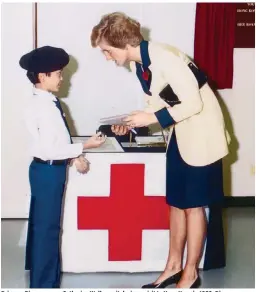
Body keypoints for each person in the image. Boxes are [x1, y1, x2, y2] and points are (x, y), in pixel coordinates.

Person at [91, 12, 230, 289]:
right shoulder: (141, 64)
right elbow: (160, 102)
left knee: (193, 207)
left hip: (201, 136)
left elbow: (192, 104)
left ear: (123, 44)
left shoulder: (165, 57)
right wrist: (132, 123)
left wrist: (150, 118)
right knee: (177, 203)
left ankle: (190, 274)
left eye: (107, 51)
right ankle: (173, 267)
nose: (107, 57)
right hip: (181, 135)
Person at [19, 45, 106, 288]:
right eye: (57, 73)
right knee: (47, 232)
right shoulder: (43, 107)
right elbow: (49, 149)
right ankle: (44, 285)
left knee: (44, 229)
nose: (61, 77)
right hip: (48, 171)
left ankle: (44, 281)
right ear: (42, 76)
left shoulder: (48, 102)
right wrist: (84, 147)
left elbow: (57, 141)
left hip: (48, 170)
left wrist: (72, 156)